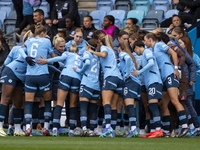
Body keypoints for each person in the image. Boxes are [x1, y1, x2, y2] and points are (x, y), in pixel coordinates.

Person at [144, 32, 189, 138]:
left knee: (174, 101)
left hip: (169, 74)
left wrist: (176, 68)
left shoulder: (159, 45)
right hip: (163, 78)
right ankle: (166, 130)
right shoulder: (152, 50)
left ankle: (185, 126)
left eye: (145, 40)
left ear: (150, 39)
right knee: (163, 104)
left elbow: (173, 53)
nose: (144, 42)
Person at [37, 42, 82, 137]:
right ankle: (71, 130)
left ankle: (55, 128)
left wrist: (47, 61)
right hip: (77, 78)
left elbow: (59, 59)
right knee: (73, 104)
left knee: (59, 103)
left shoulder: (67, 54)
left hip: (66, 76)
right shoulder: (81, 57)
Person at [18, 23, 55, 136]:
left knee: (28, 102)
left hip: (30, 75)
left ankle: (28, 127)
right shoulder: (47, 41)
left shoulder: (29, 41)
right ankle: (46, 127)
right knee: (47, 101)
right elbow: (53, 57)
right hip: (42, 74)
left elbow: (20, 50)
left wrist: (26, 57)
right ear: (43, 33)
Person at [88, 35, 123, 138]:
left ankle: (107, 127)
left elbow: (103, 55)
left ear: (100, 42)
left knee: (105, 102)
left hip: (110, 76)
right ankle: (112, 129)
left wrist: (92, 52)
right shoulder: (112, 50)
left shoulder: (104, 47)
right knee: (114, 105)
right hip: (118, 78)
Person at [132, 40, 163, 138]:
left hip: (154, 81)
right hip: (150, 83)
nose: (135, 52)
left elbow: (151, 63)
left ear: (137, 47)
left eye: (135, 50)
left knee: (153, 105)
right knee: (151, 106)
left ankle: (158, 129)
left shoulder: (147, 51)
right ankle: (154, 129)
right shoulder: (145, 55)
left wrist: (140, 71)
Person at [73, 39, 100, 137]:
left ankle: (84, 128)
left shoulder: (87, 53)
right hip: (96, 85)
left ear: (88, 46)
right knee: (93, 109)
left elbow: (87, 63)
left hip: (87, 83)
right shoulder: (97, 56)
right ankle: (92, 130)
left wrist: (79, 70)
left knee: (83, 107)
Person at [118, 41, 141, 138]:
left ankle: (133, 130)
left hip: (130, 82)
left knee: (129, 106)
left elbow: (126, 59)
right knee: (132, 107)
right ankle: (134, 129)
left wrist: (127, 74)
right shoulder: (132, 57)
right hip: (136, 83)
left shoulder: (123, 54)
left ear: (120, 48)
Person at [178, 36, 200, 136]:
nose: (179, 45)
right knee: (184, 106)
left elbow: (193, 66)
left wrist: (192, 79)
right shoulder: (179, 54)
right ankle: (191, 127)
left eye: (181, 43)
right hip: (181, 84)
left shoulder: (190, 56)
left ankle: (197, 127)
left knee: (189, 106)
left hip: (186, 84)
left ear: (186, 45)